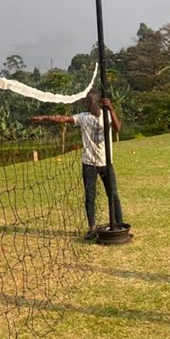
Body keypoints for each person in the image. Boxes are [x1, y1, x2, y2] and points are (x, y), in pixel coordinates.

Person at [31, 92, 123, 240]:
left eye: (91, 101)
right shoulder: (83, 117)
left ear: (98, 103)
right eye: (88, 102)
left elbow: (118, 128)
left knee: (113, 194)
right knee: (90, 197)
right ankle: (92, 228)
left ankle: (121, 225)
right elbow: (62, 119)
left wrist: (111, 109)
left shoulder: (106, 115)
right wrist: (44, 118)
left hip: (106, 163)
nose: (89, 104)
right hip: (89, 164)